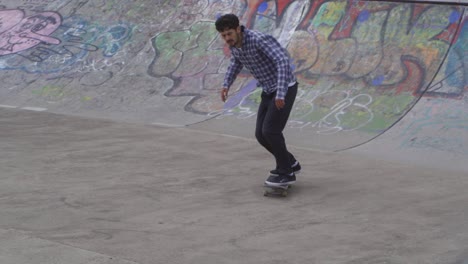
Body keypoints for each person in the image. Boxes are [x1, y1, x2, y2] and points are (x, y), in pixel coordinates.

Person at [215, 14, 301, 186]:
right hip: (268, 89)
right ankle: (290, 162)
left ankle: (286, 172)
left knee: (271, 131)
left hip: (284, 87)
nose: (227, 39)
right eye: (224, 36)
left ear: (238, 29)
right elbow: (235, 64)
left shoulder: (258, 40)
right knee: (261, 135)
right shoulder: (235, 46)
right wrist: (226, 85)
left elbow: (282, 60)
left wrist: (281, 93)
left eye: (230, 34)